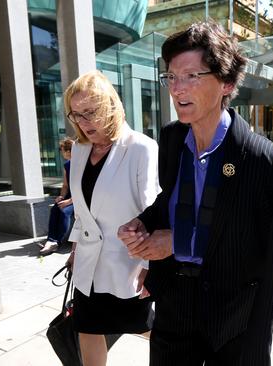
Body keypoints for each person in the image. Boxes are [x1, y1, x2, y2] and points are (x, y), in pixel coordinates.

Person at [117, 21, 273, 366]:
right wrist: (141, 222)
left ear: (227, 82)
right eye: (171, 77)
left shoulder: (269, 166)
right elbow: (170, 202)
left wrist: (258, 350)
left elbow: (271, 271)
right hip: (174, 308)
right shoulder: (171, 140)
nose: (177, 88)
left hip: (231, 319)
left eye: (191, 76)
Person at [63, 70, 160, 366]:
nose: (83, 122)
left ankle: (190, 355)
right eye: (76, 114)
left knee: (147, 327)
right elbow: (82, 211)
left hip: (126, 262)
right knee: (87, 326)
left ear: (110, 105)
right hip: (88, 263)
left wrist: (149, 266)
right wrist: (75, 249)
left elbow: (152, 210)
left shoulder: (140, 147)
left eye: (90, 112)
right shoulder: (79, 149)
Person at [38, 138, 75, 255]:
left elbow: (85, 189)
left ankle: (56, 242)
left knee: (64, 211)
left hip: (80, 198)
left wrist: (69, 201)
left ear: (69, 152)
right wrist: (61, 196)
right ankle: (50, 239)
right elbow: (65, 185)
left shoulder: (81, 164)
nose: (62, 153)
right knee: (55, 208)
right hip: (70, 196)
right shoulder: (67, 165)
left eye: (62, 150)